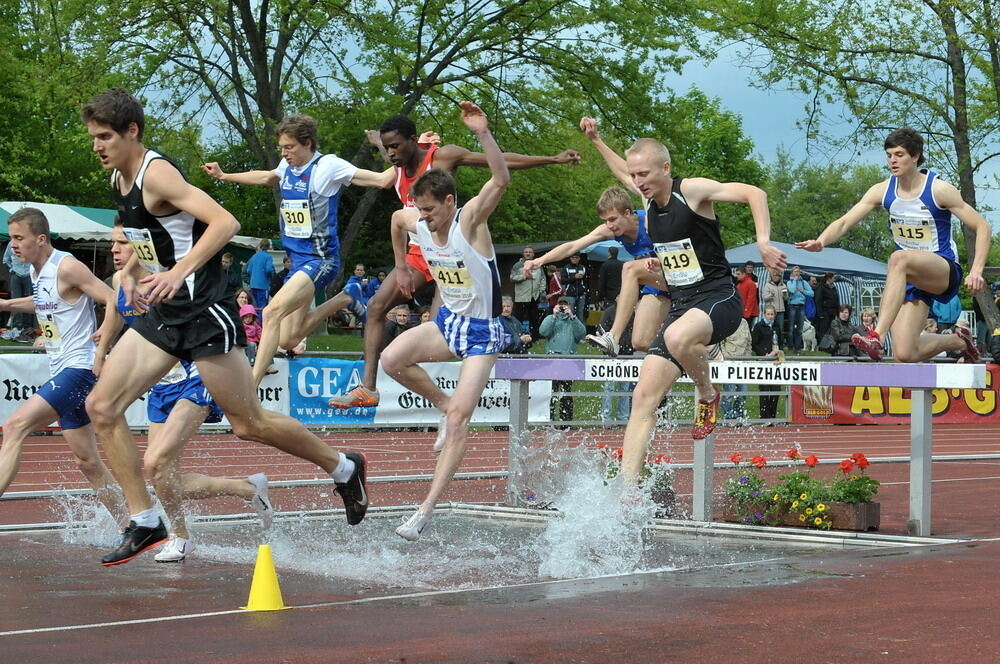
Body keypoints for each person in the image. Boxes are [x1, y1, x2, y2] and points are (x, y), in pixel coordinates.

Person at [82, 88, 368, 565]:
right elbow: (140, 232)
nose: (98, 145)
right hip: (165, 315)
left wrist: (178, 272)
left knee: (247, 423)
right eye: (93, 137)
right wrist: (131, 272)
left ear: (132, 131)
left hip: (204, 312)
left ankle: (343, 467)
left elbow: (224, 222)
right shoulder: (118, 176)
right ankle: (146, 520)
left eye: (105, 136)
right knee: (102, 406)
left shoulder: (158, 172)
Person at [580, 116, 785, 486]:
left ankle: (707, 393)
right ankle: (627, 492)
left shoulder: (690, 190)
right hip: (681, 303)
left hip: (719, 299)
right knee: (643, 397)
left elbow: (755, 193)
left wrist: (764, 242)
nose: (638, 181)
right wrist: (596, 141)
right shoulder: (645, 195)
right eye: (635, 175)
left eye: (645, 174)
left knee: (676, 338)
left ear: (666, 168)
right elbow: (621, 168)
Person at [331, 114, 580, 410]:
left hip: (454, 251)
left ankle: (457, 402)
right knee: (375, 307)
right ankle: (369, 388)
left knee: (443, 332)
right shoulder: (396, 167)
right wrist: (377, 143)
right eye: (388, 149)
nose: (392, 153)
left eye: (396, 146)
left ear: (414, 141)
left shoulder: (443, 157)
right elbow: (398, 217)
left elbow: (498, 162)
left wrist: (552, 159)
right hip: (421, 250)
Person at [379, 101, 511, 541]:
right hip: (450, 320)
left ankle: (424, 511)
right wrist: (401, 266)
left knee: (460, 419)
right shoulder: (414, 218)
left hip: (482, 333)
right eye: (421, 211)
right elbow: (397, 222)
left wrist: (482, 133)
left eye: (432, 211)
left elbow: (500, 179)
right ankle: (440, 405)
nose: (426, 220)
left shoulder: (469, 222)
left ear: (450, 202)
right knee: (392, 360)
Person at [108, 222, 273, 562]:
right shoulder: (118, 281)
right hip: (160, 383)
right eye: (114, 242)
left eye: (124, 242)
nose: (116, 249)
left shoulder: (168, 274)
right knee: (160, 476)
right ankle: (241, 491)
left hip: (195, 372)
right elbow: (116, 313)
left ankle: (182, 535)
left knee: (156, 461)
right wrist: (101, 351)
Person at [202, 114, 379, 387]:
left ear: (307, 143)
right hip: (298, 263)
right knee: (287, 339)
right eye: (281, 148)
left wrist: (418, 153)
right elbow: (267, 177)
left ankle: (251, 384)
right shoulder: (287, 167)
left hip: (321, 260)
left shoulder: (328, 166)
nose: (284, 154)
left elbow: (381, 180)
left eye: (289, 147)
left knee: (271, 313)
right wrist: (225, 175)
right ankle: (346, 297)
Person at [797, 128, 988, 363]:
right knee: (905, 353)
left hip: (942, 269)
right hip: (908, 276)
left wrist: (977, 270)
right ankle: (959, 341)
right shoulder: (883, 189)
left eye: (899, 155)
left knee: (898, 257)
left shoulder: (938, 189)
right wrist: (821, 240)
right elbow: (846, 220)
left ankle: (876, 334)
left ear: (916, 155)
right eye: (889, 155)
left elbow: (982, 226)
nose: (892, 161)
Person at [0, 208, 128, 527]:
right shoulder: (36, 272)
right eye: (11, 238)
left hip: (80, 368)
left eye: (19, 238)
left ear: (40, 239)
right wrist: (6, 305)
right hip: (63, 370)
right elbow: (44, 303)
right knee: (88, 462)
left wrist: (105, 339)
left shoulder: (67, 266)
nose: (13, 245)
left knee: (15, 427)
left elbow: (114, 299)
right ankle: (132, 524)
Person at [522, 185, 670, 357]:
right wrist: (540, 260)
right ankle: (695, 352)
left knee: (630, 268)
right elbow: (573, 246)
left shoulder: (650, 221)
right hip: (657, 282)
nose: (609, 225)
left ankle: (613, 336)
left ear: (628, 213)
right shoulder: (609, 230)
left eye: (613, 219)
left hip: (681, 276)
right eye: (605, 220)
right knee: (640, 342)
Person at [540, 296, 587, 422]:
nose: (562, 307)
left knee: (567, 393)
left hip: (568, 361)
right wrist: (553, 316)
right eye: (560, 304)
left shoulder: (573, 321)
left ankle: (566, 421)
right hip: (552, 361)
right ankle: (549, 420)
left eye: (565, 305)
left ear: (571, 306)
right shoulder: (551, 319)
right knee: (551, 392)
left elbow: (582, 334)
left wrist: (572, 316)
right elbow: (543, 331)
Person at [598, 299, 633, 422]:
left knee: (625, 388)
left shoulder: (632, 312)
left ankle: (622, 417)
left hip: (627, 355)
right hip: (611, 355)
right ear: (617, 298)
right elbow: (601, 330)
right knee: (609, 387)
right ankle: (606, 418)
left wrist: (629, 344)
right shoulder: (608, 312)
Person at [751, 306, 782, 419]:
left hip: (775, 362)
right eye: (768, 314)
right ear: (764, 315)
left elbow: (781, 341)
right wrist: (764, 354)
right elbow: (754, 344)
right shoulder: (759, 326)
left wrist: (779, 352)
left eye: (772, 314)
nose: (770, 316)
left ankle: (772, 416)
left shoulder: (777, 326)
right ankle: (764, 416)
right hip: (763, 361)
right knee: (764, 389)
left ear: (775, 315)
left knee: (776, 390)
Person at [719, 319, 751, 421]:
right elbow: (721, 343)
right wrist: (727, 358)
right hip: (729, 362)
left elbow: (749, 342)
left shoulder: (744, 323)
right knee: (729, 393)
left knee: (742, 393)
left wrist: (747, 357)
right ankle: (728, 418)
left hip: (743, 363)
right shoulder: (726, 321)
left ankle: (739, 416)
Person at [510, 246, 546, 335]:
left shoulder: (538, 265)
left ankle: (534, 337)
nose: (528, 253)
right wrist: (524, 277)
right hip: (521, 297)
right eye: (526, 252)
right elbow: (512, 278)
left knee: (534, 318)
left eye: (530, 252)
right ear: (523, 254)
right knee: (519, 318)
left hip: (534, 296)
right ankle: (518, 335)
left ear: (533, 254)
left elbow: (543, 279)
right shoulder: (517, 265)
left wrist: (541, 290)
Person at [2, 240, 34, 340]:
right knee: (15, 299)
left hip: (29, 274)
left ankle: (28, 328)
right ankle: (17, 327)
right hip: (16, 274)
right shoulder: (11, 243)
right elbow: (5, 259)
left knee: (30, 300)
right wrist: (11, 269)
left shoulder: (30, 241)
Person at [786, 266, 813, 352]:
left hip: (801, 306)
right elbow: (792, 290)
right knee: (790, 328)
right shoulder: (789, 282)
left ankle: (798, 348)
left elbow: (812, 293)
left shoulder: (804, 282)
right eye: (795, 271)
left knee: (800, 328)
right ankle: (790, 347)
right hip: (792, 306)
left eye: (798, 272)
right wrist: (794, 280)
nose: (797, 273)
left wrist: (803, 291)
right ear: (792, 273)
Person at [244, 239, 275, 310]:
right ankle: (261, 321)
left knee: (254, 306)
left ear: (260, 246)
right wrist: (269, 276)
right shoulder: (268, 257)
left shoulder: (254, 256)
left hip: (253, 285)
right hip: (263, 286)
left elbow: (248, 270)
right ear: (268, 247)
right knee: (262, 307)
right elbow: (269, 270)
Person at [762, 268, 787, 348]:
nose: (776, 277)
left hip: (781, 311)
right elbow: (764, 298)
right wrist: (771, 295)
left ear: (780, 277)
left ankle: (780, 346)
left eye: (777, 276)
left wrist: (785, 294)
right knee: (770, 329)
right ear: (771, 277)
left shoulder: (783, 285)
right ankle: (769, 346)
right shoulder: (767, 285)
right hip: (772, 311)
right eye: (774, 276)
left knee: (780, 330)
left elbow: (786, 298)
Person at [560, 253, 588, 322]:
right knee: (570, 314)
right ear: (570, 258)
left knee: (580, 315)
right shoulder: (566, 267)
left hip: (581, 294)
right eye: (573, 257)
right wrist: (574, 277)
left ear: (579, 258)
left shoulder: (583, 267)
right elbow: (563, 280)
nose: (574, 259)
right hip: (570, 295)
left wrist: (585, 290)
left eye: (576, 257)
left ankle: (580, 331)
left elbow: (586, 281)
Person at [813, 272, 840, 341]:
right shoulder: (821, 287)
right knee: (823, 328)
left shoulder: (833, 287)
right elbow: (818, 300)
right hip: (825, 311)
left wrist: (838, 312)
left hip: (832, 311)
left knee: (831, 328)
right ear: (829, 279)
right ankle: (822, 344)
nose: (834, 279)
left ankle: (829, 344)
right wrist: (820, 313)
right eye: (833, 278)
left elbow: (836, 300)